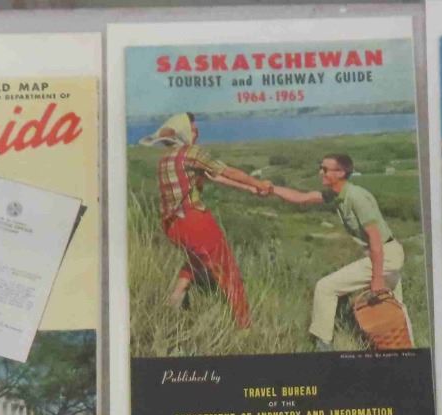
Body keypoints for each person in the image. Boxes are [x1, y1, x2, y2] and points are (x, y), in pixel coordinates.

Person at [139, 112, 273, 329]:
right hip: (193, 220)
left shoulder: (166, 159)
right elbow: (226, 171)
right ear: (183, 132)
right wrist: (258, 183)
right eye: (192, 129)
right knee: (228, 271)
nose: (196, 132)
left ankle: (176, 296)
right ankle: (245, 327)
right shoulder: (191, 153)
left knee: (197, 258)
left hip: (172, 226)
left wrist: (249, 188)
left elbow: (214, 176)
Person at [270, 153, 406, 348]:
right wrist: (271, 188)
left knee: (325, 287)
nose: (321, 172)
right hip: (385, 254)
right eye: (321, 168)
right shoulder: (336, 194)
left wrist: (377, 278)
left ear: (340, 173)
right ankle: (406, 348)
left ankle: (323, 345)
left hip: (385, 255)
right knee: (396, 307)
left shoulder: (356, 197)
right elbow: (302, 198)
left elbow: (375, 239)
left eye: (325, 169)